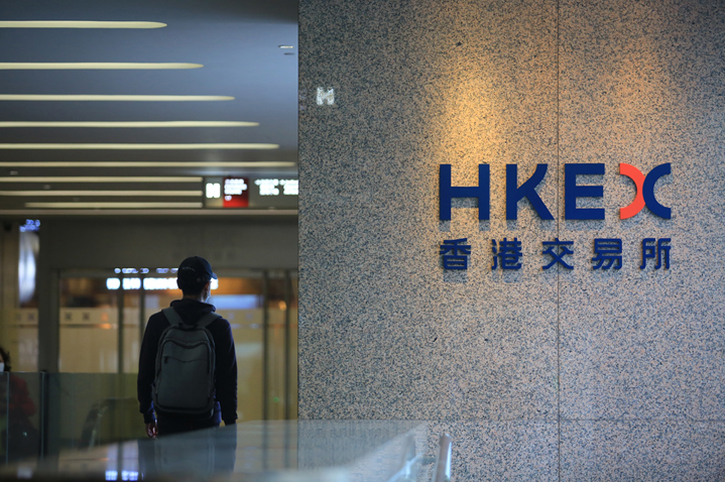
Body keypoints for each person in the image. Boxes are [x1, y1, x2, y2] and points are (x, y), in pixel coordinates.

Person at [137, 256, 237, 437]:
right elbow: (227, 381)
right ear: (207, 286)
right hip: (206, 419)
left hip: (168, 417)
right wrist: (230, 422)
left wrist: (148, 414)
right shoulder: (220, 327)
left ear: (179, 284)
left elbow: (145, 374)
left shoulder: (158, 322)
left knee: (169, 456)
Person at [0, 345, 39, 460]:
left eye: (0, 361)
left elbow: (30, 408)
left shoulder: (15, 383)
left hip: (11, 438)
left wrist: (7, 407)